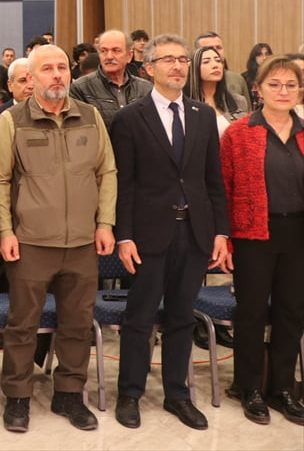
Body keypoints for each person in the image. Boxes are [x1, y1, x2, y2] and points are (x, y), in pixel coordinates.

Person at [0, 43, 117, 433]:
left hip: (82, 242)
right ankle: (18, 397)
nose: (57, 75)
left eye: (62, 68)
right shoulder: (12, 120)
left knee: (78, 323)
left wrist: (105, 224)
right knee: (23, 324)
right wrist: (5, 231)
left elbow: (107, 172)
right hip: (30, 242)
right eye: (47, 69)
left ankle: (68, 394)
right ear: (31, 77)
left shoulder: (91, 117)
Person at [111, 34, 232, 431]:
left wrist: (219, 232)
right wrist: (124, 236)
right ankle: (129, 393)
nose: (178, 66)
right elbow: (123, 184)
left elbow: (212, 181)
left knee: (182, 317)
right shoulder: (130, 118)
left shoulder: (201, 115)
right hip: (148, 235)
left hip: (195, 233)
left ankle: (177, 395)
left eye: (183, 59)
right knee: (140, 317)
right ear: (148, 68)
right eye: (168, 60)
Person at [219, 55, 304, 426]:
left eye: (290, 85)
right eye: (275, 84)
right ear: (258, 89)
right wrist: (222, 238)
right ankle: (249, 386)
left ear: (299, 90)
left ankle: (283, 387)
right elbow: (221, 189)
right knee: (251, 313)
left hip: (298, 234)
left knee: (291, 312)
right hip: (253, 234)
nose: (283, 91)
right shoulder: (239, 132)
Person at [68, 29, 152, 128]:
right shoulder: (80, 88)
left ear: (129, 56)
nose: (109, 56)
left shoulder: (146, 88)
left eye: (116, 51)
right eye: (104, 51)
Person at [188, 45, 249, 136]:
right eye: (206, 62)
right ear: (194, 68)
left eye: (218, 61)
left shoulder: (238, 101)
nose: (215, 65)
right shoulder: (184, 103)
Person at [0, 58, 33, 146]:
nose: (30, 86)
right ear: (10, 85)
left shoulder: (50, 115)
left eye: (34, 80)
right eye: (23, 81)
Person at [243, 43, 274, 109]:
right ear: (254, 58)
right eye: (260, 55)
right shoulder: (245, 77)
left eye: (267, 54)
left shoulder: (276, 75)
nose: (264, 58)